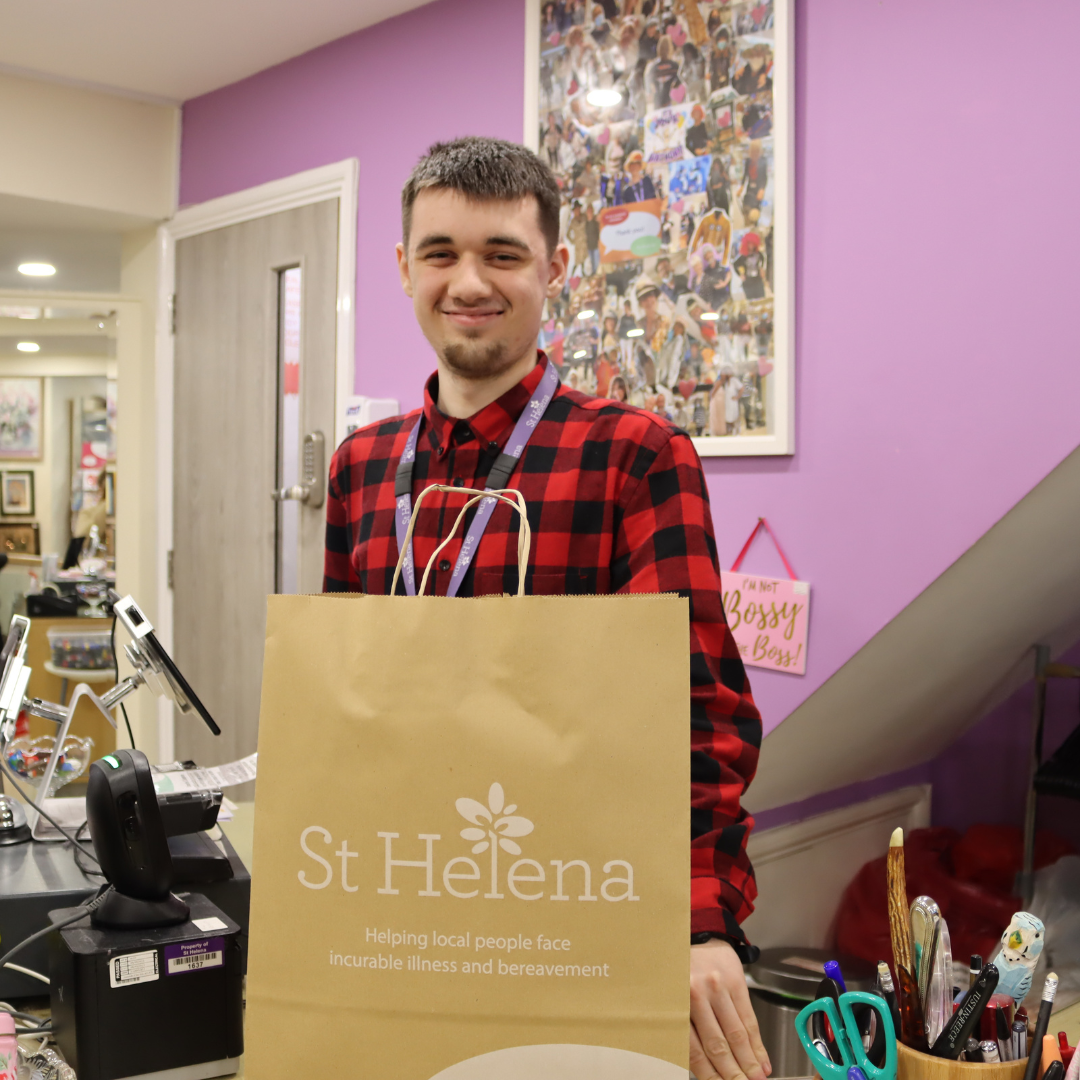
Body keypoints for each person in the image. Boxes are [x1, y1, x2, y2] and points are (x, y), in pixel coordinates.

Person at [323, 138, 768, 1080]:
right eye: (440, 253)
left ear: (555, 269)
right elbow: (340, 701)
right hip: (399, 908)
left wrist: (698, 925)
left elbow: (698, 709)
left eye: (503, 254)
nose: (468, 281)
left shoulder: (635, 457)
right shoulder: (360, 468)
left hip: (573, 908)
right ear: (404, 268)